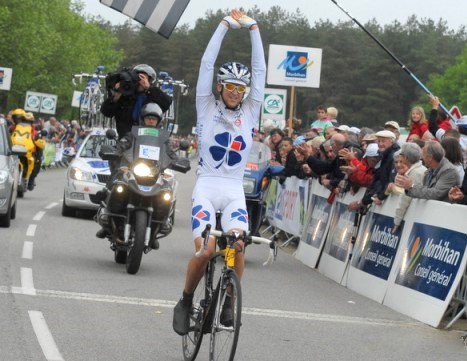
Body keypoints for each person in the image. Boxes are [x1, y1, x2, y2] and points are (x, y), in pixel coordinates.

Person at [172, 9, 266, 336]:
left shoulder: (252, 110)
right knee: (207, 249)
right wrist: (225, 25)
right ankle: (185, 299)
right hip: (207, 188)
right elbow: (205, 63)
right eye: (230, 86)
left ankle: (228, 300)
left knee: (237, 245)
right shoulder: (206, 105)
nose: (236, 92)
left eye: (241, 89)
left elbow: (259, 68)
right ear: (220, 86)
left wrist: (254, 27)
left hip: (234, 189)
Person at [100, 63, 172, 139]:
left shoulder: (153, 96)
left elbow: (167, 103)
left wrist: (149, 88)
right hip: (125, 141)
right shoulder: (125, 96)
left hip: (148, 139)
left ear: (150, 80)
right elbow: (106, 112)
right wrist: (116, 94)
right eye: (138, 78)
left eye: (143, 78)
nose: (140, 81)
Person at [385, 143, 426, 233]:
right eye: (396, 162)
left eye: (402, 157)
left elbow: (406, 198)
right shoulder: (414, 170)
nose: (399, 164)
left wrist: (397, 222)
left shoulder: (415, 173)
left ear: (406, 158)